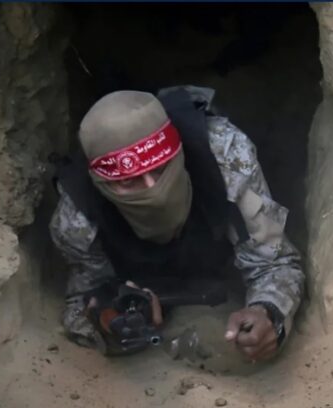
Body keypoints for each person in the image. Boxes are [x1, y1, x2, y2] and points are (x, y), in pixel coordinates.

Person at [49, 86, 304, 361]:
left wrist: (268, 311)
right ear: (101, 184)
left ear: (179, 150)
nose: (154, 190)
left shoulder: (226, 157)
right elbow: (81, 302)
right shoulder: (77, 218)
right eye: (128, 181)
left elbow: (276, 263)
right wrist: (108, 320)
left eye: (160, 168)